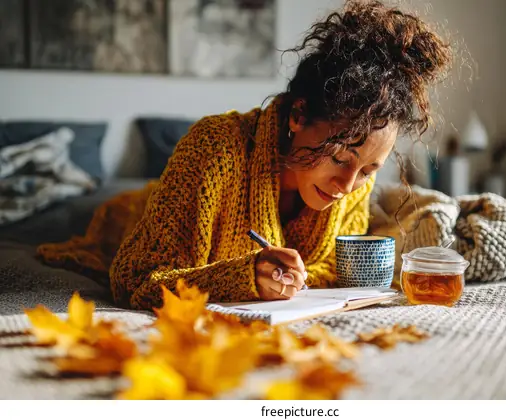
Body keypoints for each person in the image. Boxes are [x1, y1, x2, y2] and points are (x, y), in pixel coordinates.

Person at [36, 0, 452, 311]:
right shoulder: (214, 150)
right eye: (340, 158)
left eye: (368, 171)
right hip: (131, 216)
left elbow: (330, 269)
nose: (348, 186)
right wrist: (242, 276)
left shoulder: (356, 180)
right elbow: (135, 279)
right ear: (299, 114)